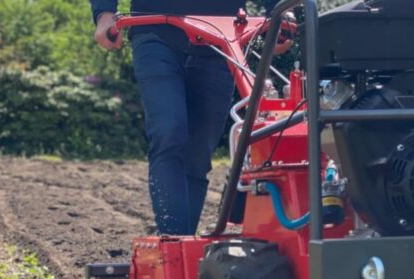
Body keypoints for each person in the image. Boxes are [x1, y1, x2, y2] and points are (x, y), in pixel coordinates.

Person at [90, 0, 285, 235]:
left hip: (221, 34)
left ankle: (185, 249)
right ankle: (174, 243)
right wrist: (104, 12)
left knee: (199, 152)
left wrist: (279, 13)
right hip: (155, 27)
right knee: (168, 131)